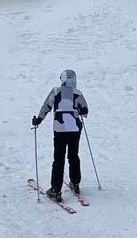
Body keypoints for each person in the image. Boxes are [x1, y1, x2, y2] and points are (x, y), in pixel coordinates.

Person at [32, 69, 89, 202]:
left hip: (60, 129)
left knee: (59, 158)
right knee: (74, 155)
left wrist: (38, 120)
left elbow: (47, 106)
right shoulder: (77, 93)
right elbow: (85, 110)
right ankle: (75, 183)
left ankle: (55, 190)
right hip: (75, 129)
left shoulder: (56, 91)